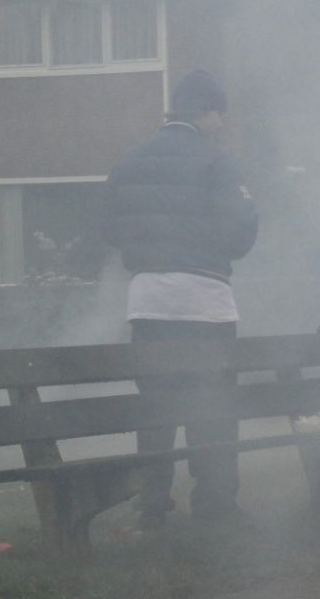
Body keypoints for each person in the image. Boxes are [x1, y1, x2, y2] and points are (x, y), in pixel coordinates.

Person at [102, 69, 258, 528]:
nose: (223, 124)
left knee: (155, 408)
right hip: (206, 302)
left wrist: (147, 248)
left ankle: (152, 504)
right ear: (207, 112)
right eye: (220, 115)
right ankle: (214, 503)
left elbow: (107, 226)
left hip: (148, 300)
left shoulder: (130, 159)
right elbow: (241, 231)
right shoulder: (219, 161)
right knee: (213, 408)